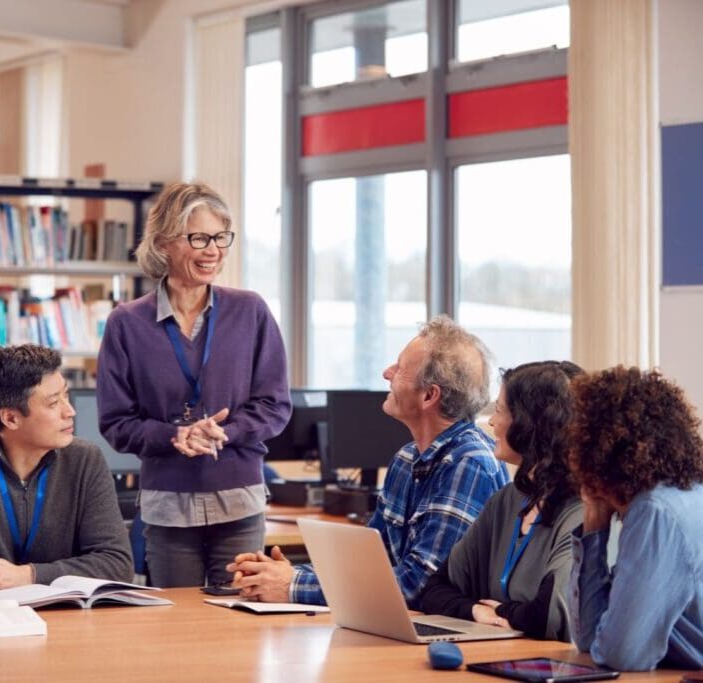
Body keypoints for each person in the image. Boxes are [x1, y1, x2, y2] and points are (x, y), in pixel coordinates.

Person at [229, 316, 509, 606]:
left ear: (429, 395)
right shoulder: (406, 460)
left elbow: (418, 586)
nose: (386, 373)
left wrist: (292, 585)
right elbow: (372, 565)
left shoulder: (469, 463)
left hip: (450, 635)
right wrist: (282, 574)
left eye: (400, 368)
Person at [96, 181, 291, 588]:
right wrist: (176, 435)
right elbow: (116, 422)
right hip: (168, 504)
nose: (213, 251)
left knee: (239, 622)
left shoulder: (250, 310)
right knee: (178, 627)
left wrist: (224, 431)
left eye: (221, 238)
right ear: (165, 241)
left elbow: (274, 404)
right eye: (199, 238)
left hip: (238, 498)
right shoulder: (126, 323)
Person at [0, 344, 132, 595]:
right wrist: (65, 574)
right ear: (11, 418)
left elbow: (117, 565)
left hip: (66, 619)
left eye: (66, 396)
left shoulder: (84, 459)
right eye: (54, 403)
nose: (70, 411)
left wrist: (28, 575)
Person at [419, 361, 584, 640]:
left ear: (531, 424)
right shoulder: (508, 501)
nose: (493, 422)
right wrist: (476, 611)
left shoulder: (584, 509)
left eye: (499, 410)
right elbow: (434, 590)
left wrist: (505, 612)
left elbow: (551, 616)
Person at [567, 366, 703, 671]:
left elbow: (622, 654)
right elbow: (591, 640)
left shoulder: (655, 513)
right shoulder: (679, 495)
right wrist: (594, 522)